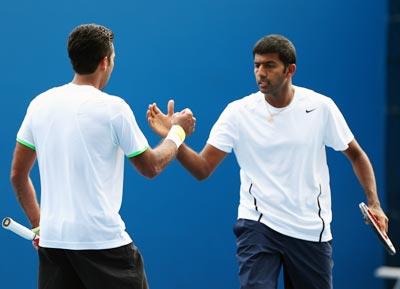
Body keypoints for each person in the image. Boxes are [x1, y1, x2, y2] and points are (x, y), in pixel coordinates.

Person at [146, 34, 389, 289]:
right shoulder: (237, 113)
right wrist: (176, 136)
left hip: (310, 230)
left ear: (290, 70)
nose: (261, 72)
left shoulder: (320, 107)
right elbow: (202, 168)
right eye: (257, 65)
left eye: (269, 65)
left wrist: (375, 202)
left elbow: (357, 155)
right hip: (258, 225)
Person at [10, 23, 195, 289]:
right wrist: (177, 132)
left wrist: (40, 227)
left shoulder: (39, 104)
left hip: (54, 247)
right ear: (105, 61)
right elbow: (151, 167)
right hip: (104, 247)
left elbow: (18, 175)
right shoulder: (114, 108)